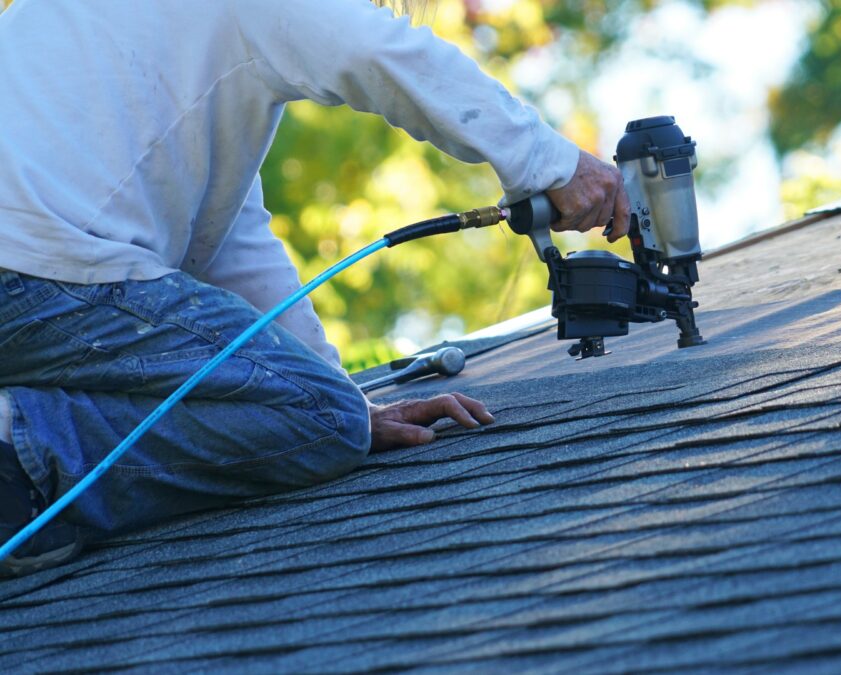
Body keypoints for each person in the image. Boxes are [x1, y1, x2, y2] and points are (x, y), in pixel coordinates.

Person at [0, 0, 629, 576]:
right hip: (35, 266)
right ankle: (18, 453)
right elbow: (373, 50)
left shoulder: (165, 57)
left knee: (331, 411)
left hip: (33, 271)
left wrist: (353, 402)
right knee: (321, 422)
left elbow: (234, 247)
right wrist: (553, 162)